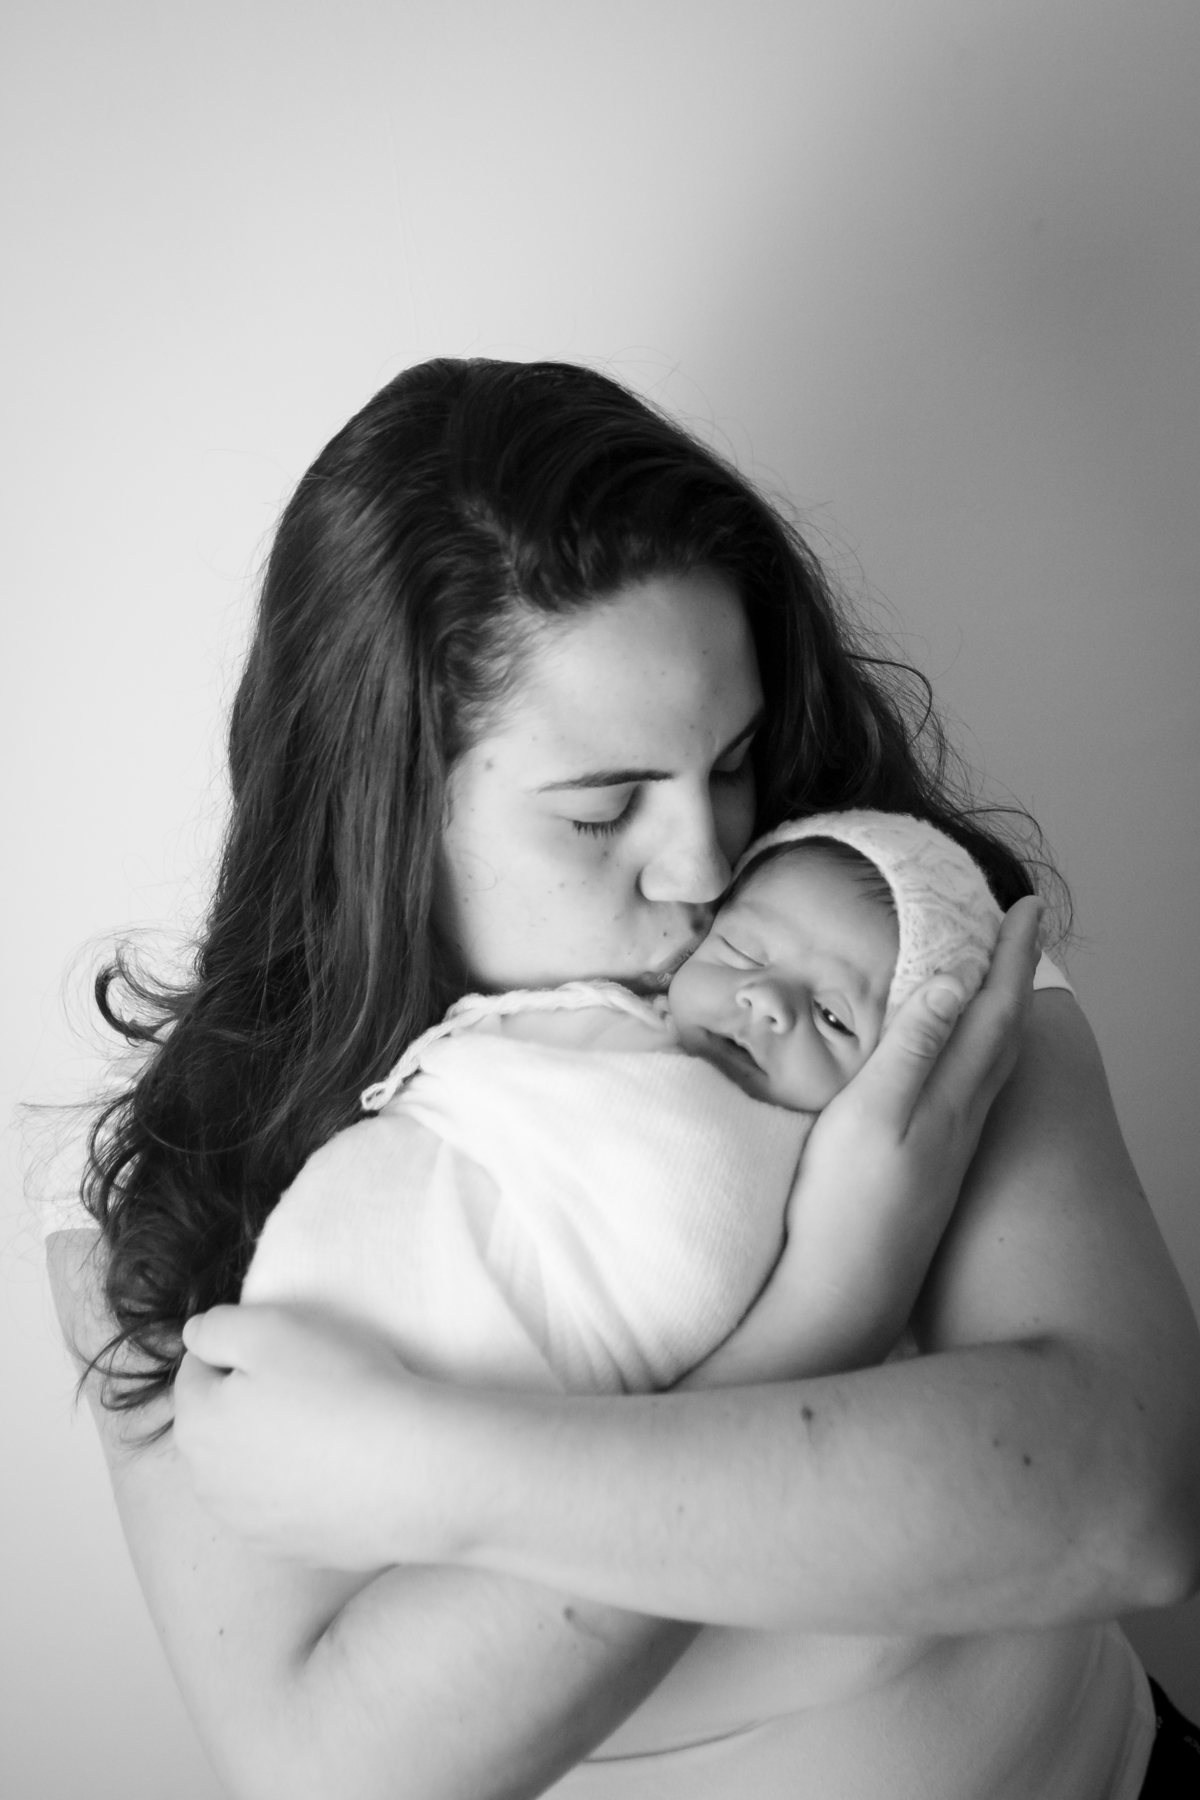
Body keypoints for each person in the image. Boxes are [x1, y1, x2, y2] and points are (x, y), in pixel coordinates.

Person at [47, 358, 1200, 1799]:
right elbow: (334, 1769)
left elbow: (1129, 1500)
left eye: (732, 761)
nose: (710, 867)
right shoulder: (180, 1187)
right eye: (604, 811)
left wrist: (426, 1468)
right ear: (380, 814)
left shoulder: (885, 946)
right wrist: (825, 1307)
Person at [241, 812, 1009, 1402]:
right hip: (359, 1294)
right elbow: (466, 1083)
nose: (767, 1000)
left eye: (836, 1018)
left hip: (539, 1422)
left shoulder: (847, 1187)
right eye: (743, 953)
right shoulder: (606, 1025)